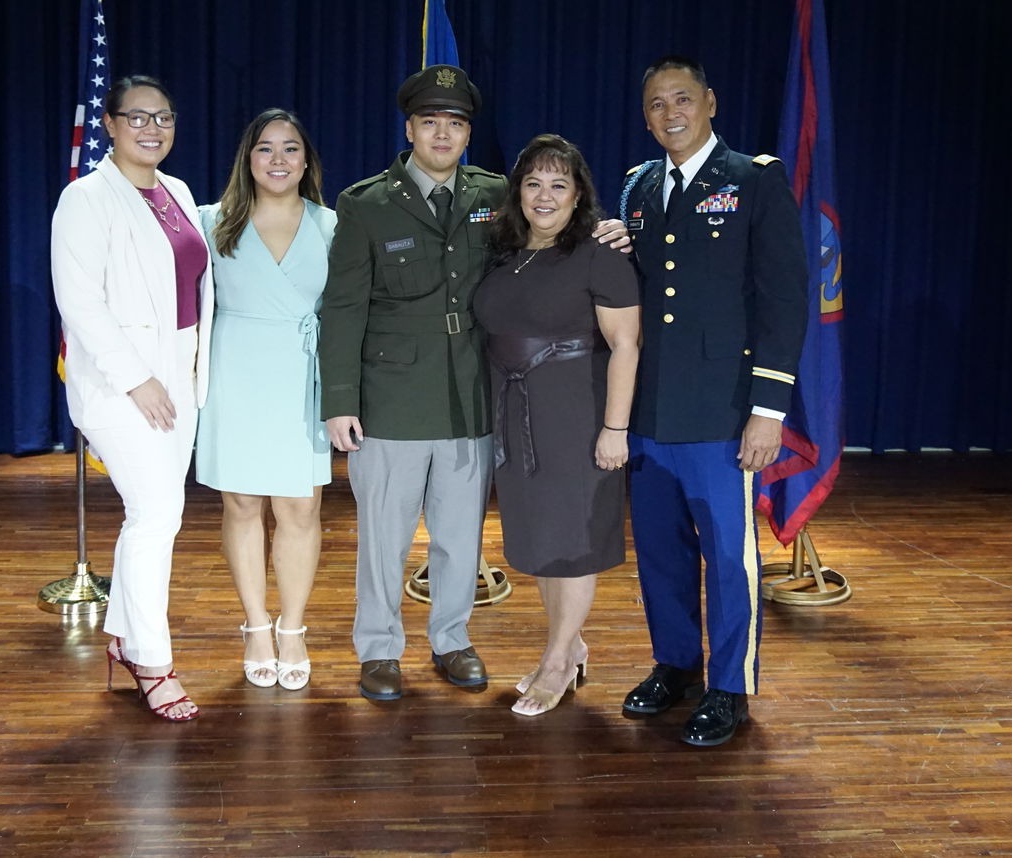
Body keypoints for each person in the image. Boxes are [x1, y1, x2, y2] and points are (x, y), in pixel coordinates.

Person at [320, 64, 631, 702]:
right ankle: (379, 648)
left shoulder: (497, 196)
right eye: (430, 121)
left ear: (468, 134)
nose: (442, 133)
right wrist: (340, 402)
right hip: (391, 401)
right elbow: (343, 309)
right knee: (384, 535)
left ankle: (452, 639)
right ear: (409, 128)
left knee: (462, 538)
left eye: (455, 124)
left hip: (472, 398)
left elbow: (552, 244)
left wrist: (609, 228)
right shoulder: (365, 204)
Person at [619, 55, 808, 746]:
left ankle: (730, 686)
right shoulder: (638, 188)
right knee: (662, 553)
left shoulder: (754, 180)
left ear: (709, 102)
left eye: (682, 99)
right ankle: (676, 662)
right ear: (646, 117)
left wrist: (768, 410)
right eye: (657, 105)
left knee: (730, 557)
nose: (671, 113)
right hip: (650, 410)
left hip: (724, 411)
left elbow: (786, 301)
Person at [51, 75, 214, 722]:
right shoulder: (85, 199)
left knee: (153, 516)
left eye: (164, 118)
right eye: (137, 118)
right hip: (123, 383)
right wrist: (135, 378)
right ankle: (153, 659)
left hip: (182, 373)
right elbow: (80, 301)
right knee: (158, 513)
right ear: (111, 125)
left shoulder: (176, 190)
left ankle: (121, 634)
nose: (152, 129)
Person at [473, 135, 640, 717]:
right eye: (534, 183)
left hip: (576, 412)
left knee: (574, 544)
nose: (545, 196)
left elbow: (625, 344)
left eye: (559, 185)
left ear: (579, 196)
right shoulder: (505, 251)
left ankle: (558, 661)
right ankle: (570, 644)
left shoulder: (601, 252)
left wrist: (614, 429)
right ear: (517, 190)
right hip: (515, 416)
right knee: (542, 541)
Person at [196, 109, 336, 691]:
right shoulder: (211, 220)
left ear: (307, 161)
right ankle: (255, 625)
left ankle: (292, 629)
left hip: (304, 374)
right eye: (265, 149)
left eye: (290, 149)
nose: (278, 160)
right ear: (247, 160)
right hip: (236, 373)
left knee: (301, 509)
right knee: (244, 506)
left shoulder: (335, 224)